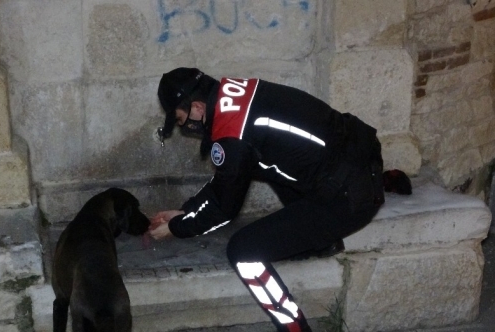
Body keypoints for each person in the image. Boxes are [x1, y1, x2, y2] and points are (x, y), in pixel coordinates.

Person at [149, 67, 385, 332]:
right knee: (263, 158)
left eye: (181, 120)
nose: (185, 128)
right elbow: (229, 177)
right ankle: (318, 244)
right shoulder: (235, 93)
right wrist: (184, 211)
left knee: (243, 251)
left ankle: (294, 328)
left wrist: (178, 228)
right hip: (358, 162)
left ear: (197, 107)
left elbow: (224, 208)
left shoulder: (232, 134)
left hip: (348, 198)